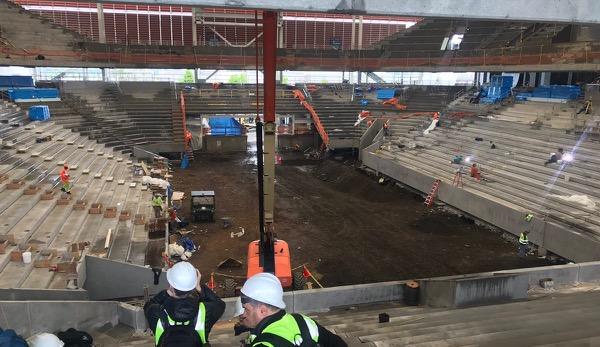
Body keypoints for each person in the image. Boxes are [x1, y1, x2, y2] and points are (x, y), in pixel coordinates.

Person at [237, 272, 347, 347]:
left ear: (262, 310)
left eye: (246, 309)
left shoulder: (264, 344)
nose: (243, 314)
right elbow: (338, 344)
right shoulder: (303, 320)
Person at [144, 262, 225, 347]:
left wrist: (166, 293)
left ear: (171, 285)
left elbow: (148, 306)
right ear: (194, 285)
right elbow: (220, 304)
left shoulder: (155, 312)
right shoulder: (205, 311)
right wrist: (200, 289)